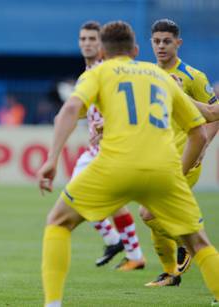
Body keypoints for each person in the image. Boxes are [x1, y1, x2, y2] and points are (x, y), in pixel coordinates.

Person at [37, 21, 219, 307]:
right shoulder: (161, 76)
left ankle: (53, 303)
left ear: (103, 53)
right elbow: (200, 129)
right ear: (136, 50)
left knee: (58, 222)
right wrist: (179, 174)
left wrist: (51, 158)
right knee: (199, 242)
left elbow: (69, 110)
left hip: (114, 166)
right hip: (163, 169)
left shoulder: (98, 72)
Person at [141, 19, 219, 287]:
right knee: (151, 217)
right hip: (154, 157)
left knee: (148, 213)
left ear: (178, 43)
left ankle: (189, 245)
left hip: (184, 156)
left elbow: (215, 113)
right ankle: (172, 270)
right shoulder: (147, 74)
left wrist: (205, 143)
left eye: (167, 41)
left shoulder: (193, 76)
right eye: (157, 41)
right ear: (150, 43)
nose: (161, 46)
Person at [73, 21, 144, 270]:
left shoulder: (107, 71)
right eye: (83, 39)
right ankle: (133, 253)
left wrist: (106, 124)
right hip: (96, 149)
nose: (87, 43)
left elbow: (126, 105)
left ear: (102, 44)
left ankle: (116, 241)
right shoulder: (89, 73)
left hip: (111, 147)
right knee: (112, 202)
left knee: (77, 196)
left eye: (92, 39)